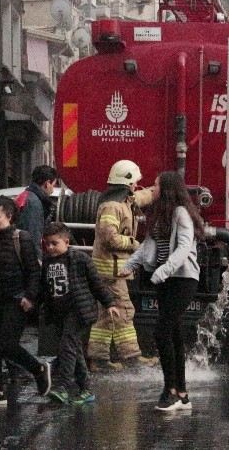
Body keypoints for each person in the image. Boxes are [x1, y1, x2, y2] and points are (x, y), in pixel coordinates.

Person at [120, 171, 203, 412]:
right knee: (174, 333)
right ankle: (182, 393)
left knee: (161, 331)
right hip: (166, 280)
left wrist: (162, 272)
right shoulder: (160, 214)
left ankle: (170, 390)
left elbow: (184, 248)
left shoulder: (181, 213)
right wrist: (130, 265)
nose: (152, 188)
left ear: (167, 189)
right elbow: (148, 245)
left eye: (155, 185)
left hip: (183, 279)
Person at [0, 196, 52, 406]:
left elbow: (34, 271)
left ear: (9, 216)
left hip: (17, 301)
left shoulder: (21, 238)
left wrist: (30, 296)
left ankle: (38, 369)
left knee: (8, 345)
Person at [87, 159, 157, 371]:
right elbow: (110, 238)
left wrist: (156, 190)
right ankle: (131, 357)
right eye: (134, 181)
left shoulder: (124, 200)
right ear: (126, 183)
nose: (136, 185)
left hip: (113, 271)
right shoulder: (112, 207)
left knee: (106, 315)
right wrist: (134, 244)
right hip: (110, 272)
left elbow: (140, 197)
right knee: (124, 310)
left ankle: (98, 360)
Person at [41, 222, 120, 405]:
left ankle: (63, 386)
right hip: (59, 312)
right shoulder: (47, 262)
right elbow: (44, 288)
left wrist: (109, 303)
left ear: (66, 242)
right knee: (74, 350)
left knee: (67, 346)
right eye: (47, 244)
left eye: (54, 243)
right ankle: (86, 389)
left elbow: (96, 283)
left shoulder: (79, 259)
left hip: (79, 311)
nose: (50, 248)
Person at [17, 165, 58, 261]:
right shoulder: (34, 203)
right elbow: (33, 236)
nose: (52, 190)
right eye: (53, 185)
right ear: (47, 183)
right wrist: (37, 261)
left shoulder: (26, 196)